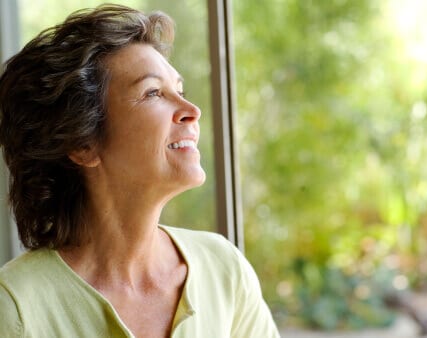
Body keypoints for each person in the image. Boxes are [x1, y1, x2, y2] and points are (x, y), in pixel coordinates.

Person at [0, 4, 279, 337]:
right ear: (83, 144)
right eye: (153, 93)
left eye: (181, 90)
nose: (192, 110)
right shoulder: (15, 307)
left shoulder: (224, 269)